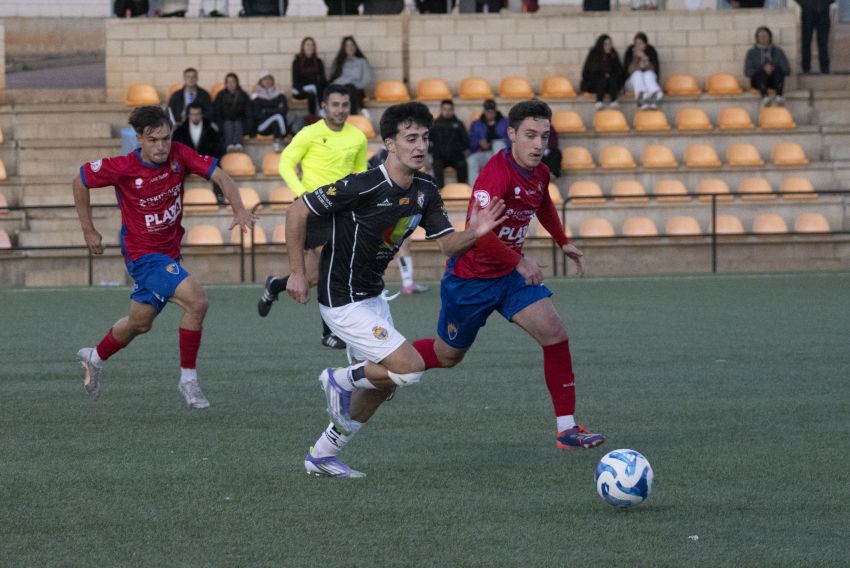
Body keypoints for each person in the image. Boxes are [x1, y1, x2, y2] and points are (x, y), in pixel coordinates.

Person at [284, 102, 508, 477]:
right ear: (390, 143)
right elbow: (296, 212)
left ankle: (322, 454)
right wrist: (295, 272)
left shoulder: (425, 190)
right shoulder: (363, 183)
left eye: (424, 137)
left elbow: (447, 245)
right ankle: (338, 379)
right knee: (410, 368)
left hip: (373, 296)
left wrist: (477, 232)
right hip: (342, 299)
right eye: (410, 138)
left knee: (384, 386)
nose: (420, 145)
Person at [416, 99, 605, 453]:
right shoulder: (494, 176)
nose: (538, 144)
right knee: (447, 356)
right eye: (530, 135)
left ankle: (567, 430)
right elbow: (478, 233)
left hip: (510, 277)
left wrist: (563, 241)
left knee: (555, 334)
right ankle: (380, 365)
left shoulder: (540, 171)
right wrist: (519, 262)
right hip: (472, 278)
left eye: (544, 136)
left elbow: (543, 203)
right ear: (512, 134)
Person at [72, 106, 254, 408]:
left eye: (165, 139)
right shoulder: (122, 167)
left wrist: (239, 208)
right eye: (154, 140)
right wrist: (88, 230)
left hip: (169, 254)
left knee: (140, 322)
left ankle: (95, 356)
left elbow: (220, 175)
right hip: (143, 256)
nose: (161, 146)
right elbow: (80, 181)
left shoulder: (179, 155)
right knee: (197, 301)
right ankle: (188, 380)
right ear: (140, 139)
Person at [256, 84, 368, 349]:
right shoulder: (309, 133)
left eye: (344, 105)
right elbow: (285, 163)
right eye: (335, 105)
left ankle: (274, 285)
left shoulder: (358, 138)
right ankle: (328, 332)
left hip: (342, 211)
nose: (340, 110)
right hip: (314, 208)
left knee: (315, 277)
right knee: (333, 262)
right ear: (324, 107)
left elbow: (360, 175)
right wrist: (304, 195)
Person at [172, 101, 227, 203]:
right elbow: (175, 149)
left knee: (217, 168)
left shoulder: (211, 130)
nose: (195, 117)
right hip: (186, 162)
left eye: (197, 114)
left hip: (205, 161)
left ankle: (219, 196)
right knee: (175, 170)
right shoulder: (180, 131)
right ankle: (175, 199)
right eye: (193, 114)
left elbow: (218, 148)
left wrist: (207, 159)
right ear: (188, 115)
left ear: (201, 114)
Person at [466, 99, 509, 186]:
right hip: (485, 153)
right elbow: (471, 143)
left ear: (495, 111)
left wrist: (495, 142)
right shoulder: (476, 124)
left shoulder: (505, 122)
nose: (490, 114)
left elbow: (511, 140)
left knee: (498, 144)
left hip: (501, 155)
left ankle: (498, 183)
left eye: (491, 111)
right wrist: (480, 145)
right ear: (484, 111)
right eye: (487, 112)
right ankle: (475, 189)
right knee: (471, 160)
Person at [745, 26, 791, 106]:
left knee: (777, 71)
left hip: (775, 81)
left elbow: (787, 71)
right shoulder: (751, 53)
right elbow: (747, 72)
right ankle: (765, 97)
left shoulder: (778, 52)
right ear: (757, 38)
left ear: (770, 37)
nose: (763, 38)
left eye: (765, 35)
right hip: (758, 82)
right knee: (761, 72)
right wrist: (762, 68)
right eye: (760, 36)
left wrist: (773, 68)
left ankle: (779, 96)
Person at [429, 99, 469, 188]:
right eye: (445, 109)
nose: (447, 112)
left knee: (462, 164)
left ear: (453, 110)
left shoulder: (459, 124)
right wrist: (433, 151)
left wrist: (457, 150)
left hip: (456, 157)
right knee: (436, 165)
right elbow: (427, 141)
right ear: (441, 110)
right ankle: (440, 192)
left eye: (449, 109)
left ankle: (461, 189)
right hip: (439, 158)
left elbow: (466, 142)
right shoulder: (434, 124)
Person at [329, 36, 373, 117]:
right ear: (344, 48)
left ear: (355, 47)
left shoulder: (362, 62)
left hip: (358, 90)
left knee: (351, 88)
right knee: (349, 87)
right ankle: (362, 109)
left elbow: (366, 80)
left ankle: (352, 117)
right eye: (347, 45)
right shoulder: (339, 62)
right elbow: (334, 81)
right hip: (341, 91)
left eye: (352, 45)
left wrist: (352, 84)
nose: (350, 47)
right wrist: (348, 82)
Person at [581, 34, 624, 110]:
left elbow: (619, 71)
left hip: (610, 85)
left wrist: (609, 73)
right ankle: (599, 101)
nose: (608, 46)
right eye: (606, 44)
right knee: (601, 78)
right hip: (595, 84)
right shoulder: (594, 54)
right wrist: (603, 74)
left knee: (612, 77)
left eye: (610, 44)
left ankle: (614, 100)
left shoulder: (613, 54)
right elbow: (587, 73)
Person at [251, 71, 290, 152]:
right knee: (278, 116)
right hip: (262, 127)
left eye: (269, 79)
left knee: (276, 120)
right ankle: (284, 136)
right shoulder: (256, 96)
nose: (267, 81)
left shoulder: (279, 94)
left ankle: (277, 142)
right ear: (261, 82)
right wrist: (277, 110)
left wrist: (266, 110)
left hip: (274, 127)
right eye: (264, 79)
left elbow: (285, 110)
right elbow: (258, 114)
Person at [213, 72, 253, 152]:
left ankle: (239, 145)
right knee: (228, 124)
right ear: (226, 84)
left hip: (240, 122)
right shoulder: (220, 95)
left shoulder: (243, 95)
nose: (231, 84)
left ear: (237, 83)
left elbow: (248, 112)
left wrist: (249, 126)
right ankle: (229, 146)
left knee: (237, 124)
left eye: (233, 81)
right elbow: (217, 112)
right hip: (225, 122)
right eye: (228, 82)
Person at [622, 32, 662, 109]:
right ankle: (642, 98)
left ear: (645, 45)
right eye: (636, 43)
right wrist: (637, 63)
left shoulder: (651, 51)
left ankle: (655, 94)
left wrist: (644, 57)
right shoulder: (630, 51)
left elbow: (654, 70)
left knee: (648, 74)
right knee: (638, 74)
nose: (638, 46)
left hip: (648, 84)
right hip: (631, 83)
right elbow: (629, 71)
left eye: (641, 43)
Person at [291, 37, 327, 117]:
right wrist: (302, 89)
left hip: (315, 89)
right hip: (299, 89)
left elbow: (323, 79)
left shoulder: (318, 61)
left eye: (312, 45)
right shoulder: (297, 62)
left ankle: (315, 117)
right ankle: (321, 111)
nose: (310, 47)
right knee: (314, 88)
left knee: (314, 93)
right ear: (303, 47)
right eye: (307, 45)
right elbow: (295, 81)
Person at [796, 0, 834, 75]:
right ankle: (806, 67)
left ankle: (824, 68)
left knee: (823, 41)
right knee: (806, 41)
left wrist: (825, 3)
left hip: (823, 12)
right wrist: (805, 4)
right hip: (807, 12)